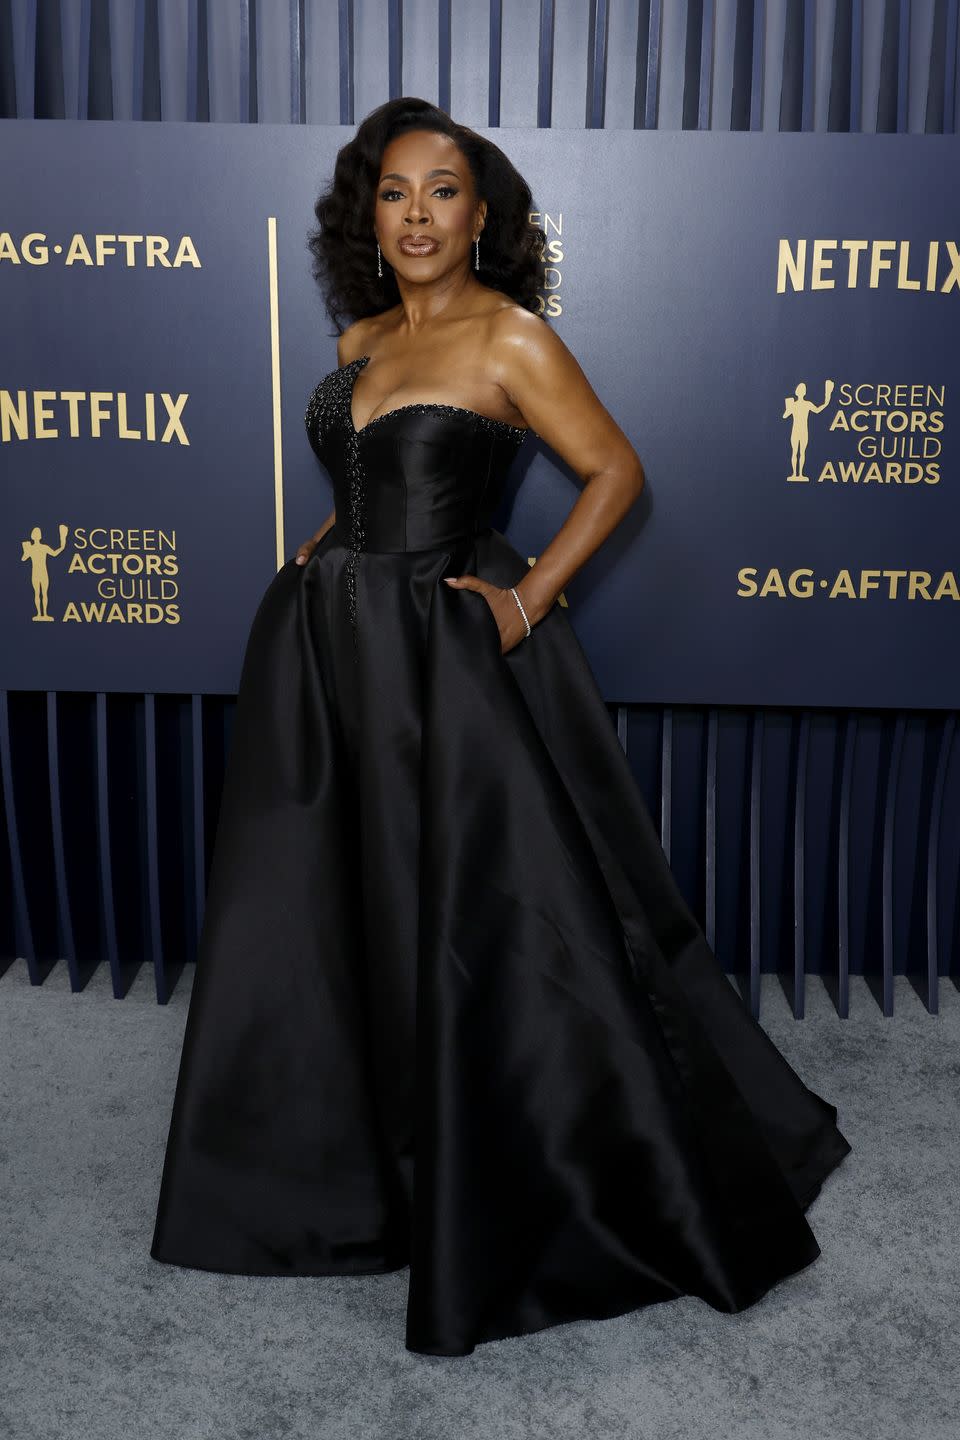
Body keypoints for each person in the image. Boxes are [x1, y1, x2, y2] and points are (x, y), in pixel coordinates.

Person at [151, 97, 852, 1359]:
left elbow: (617, 470)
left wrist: (527, 603)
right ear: (368, 217)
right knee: (338, 906)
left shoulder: (510, 338)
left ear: (484, 216)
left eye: (444, 192)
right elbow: (372, 479)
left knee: (478, 915)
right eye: (394, 193)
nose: (417, 215)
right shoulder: (365, 335)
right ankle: (358, 1167)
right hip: (329, 658)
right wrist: (327, 547)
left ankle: (512, 1174)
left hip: (446, 664)